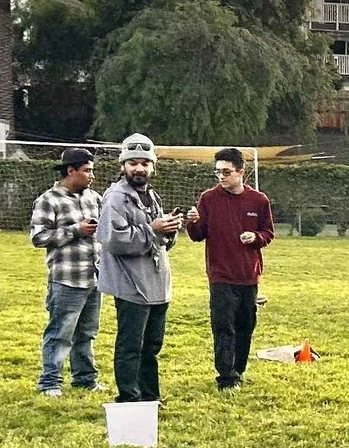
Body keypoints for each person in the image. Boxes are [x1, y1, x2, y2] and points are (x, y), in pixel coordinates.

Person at [96, 132, 181, 403]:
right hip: (131, 285)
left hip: (156, 283)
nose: (139, 168)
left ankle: (150, 397)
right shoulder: (115, 198)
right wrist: (153, 229)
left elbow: (161, 240)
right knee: (131, 345)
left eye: (145, 163)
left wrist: (170, 230)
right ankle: (129, 398)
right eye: (133, 163)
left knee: (151, 346)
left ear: (153, 166)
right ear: (123, 166)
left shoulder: (151, 196)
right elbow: (114, 240)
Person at [184, 146, 276, 392]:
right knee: (223, 326)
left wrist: (255, 237)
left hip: (248, 275)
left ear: (241, 172)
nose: (221, 177)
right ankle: (225, 377)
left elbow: (268, 233)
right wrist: (192, 222)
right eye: (218, 173)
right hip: (220, 275)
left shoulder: (259, 200)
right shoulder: (208, 198)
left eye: (226, 172)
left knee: (245, 326)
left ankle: (239, 369)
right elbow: (197, 235)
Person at [28, 146, 104, 397]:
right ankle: (50, 383)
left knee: (87, 333)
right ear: (70, 171)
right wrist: (76, 230)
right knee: (60, 333)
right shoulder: (48, 200)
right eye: (87, 171)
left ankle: (85, 379)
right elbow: (38, 237)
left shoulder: (94, 197)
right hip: (66, 280)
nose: (92, 176)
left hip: (93, 278)